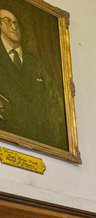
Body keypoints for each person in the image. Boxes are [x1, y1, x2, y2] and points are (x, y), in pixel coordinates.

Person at [0, 8, 68, 149]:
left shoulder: (36, 63)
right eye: (7, 21)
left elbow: (54, 101)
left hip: (42, 139)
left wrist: (53, 137)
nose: (14, 26)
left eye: (16, 23)